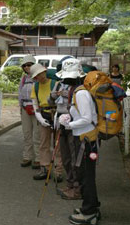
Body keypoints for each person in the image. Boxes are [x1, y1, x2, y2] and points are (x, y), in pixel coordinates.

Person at [58, 71, 101, 225]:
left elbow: (87, 118)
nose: (63, 79)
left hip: (86, 140)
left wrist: (69, 124)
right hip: (84, 139)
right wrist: (69, 118)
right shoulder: (78, 91)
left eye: (66, 76)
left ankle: (89, 212)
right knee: (85, 174)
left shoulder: (81, 93)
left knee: (86, 176)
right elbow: (82, 115)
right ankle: (92, 207)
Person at [49, 58, 85, 200]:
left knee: (76, 157)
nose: (67, 79)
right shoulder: (59, 84)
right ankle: (70, 184)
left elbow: (85, 113)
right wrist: (53, 96)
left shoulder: (82, 89)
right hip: (62, 124)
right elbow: (49, 101)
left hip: (75, 126)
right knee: (65, 157)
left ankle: (77, 188)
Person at [29, 63, 64, 182]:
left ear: (45, 72)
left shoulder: (56, 84)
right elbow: (35, 104)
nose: (40, 76)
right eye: (37, 75)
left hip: (57, 114)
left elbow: (62, 102)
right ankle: (44, 168)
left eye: (41, 73)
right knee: (43, 143)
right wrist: (39, 118)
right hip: (43, 114)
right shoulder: (36, 86)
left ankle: (58, 170)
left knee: (58, 144)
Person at [18, 55, 40, 169]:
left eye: (29, 65)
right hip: (25, 108)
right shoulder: (23, 79)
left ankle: (38, 158)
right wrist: (20, 108)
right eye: (25, 65)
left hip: (37, 109)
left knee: (37, 135)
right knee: (27, 134)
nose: (27, 67)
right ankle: (27, 156)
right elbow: (20, 94)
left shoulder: (39, 78)